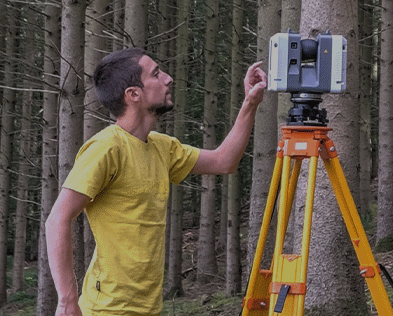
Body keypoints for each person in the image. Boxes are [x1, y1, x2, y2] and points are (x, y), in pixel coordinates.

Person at [46, 47, 267, 316]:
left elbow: (224, 161)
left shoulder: (163, 147)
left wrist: (250, 104)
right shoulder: (106, 148)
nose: (168, 78)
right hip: (107, 310)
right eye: (156, 74)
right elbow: (58, 219)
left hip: (149, 308)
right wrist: (67, 302)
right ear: (133, 95)